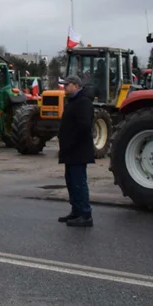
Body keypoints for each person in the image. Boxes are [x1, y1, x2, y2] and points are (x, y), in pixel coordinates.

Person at [57, 74, 95, 227]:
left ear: (76, 86)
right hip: (70, 150)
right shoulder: (73, 101)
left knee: (79, 183)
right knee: (71, 182)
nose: (64, 87)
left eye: (67, 84)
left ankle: (85, 214)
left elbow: (84, 126)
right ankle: (76, 211)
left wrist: (70, 141)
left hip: (78, 150)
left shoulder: (83, 102)